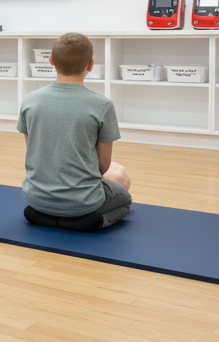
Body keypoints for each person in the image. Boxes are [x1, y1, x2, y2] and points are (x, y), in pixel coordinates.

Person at [16, 32, 132, 231]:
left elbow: (34, 152)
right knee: (124, 191)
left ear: (51, 61)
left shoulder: (30, 100)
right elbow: (103, 165)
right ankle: (89, 219)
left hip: (36, 200)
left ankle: (51, 215)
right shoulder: (102, 105)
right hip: (84, 205)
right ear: (90, 65)